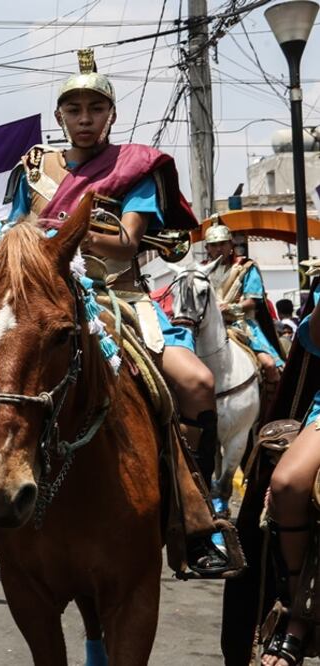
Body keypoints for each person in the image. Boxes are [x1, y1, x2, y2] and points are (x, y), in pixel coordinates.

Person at [0, 48, 237, 579]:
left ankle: (197, 516)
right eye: (74, 110)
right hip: (42, 295)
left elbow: (127, 241)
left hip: (117, 295)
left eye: (95, 108)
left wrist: (66, 233)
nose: (85, 119)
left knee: (197, 382)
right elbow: (12, 232)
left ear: (111, 114)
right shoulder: (34, 170)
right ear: (60, 116)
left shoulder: (136, 168)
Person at [260, 280, 320, 666]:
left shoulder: (245, 270)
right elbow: (315, 339)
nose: (214, 250)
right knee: (286, 483)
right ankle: (300, 610)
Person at [202, 223, 284, 393]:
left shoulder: (246, 266)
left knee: (269, 365)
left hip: (241, 326)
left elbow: (253, 300)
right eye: (214, 245)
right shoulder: (200, 270)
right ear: (207, 248)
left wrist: (229, 307)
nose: (219, 249)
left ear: (231, 244)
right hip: (208, 326)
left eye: (223, 243)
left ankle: (271, 405)